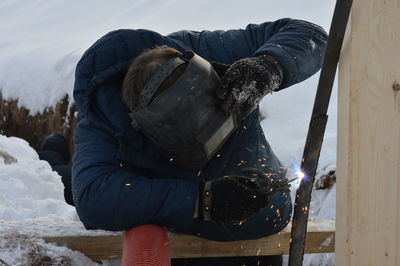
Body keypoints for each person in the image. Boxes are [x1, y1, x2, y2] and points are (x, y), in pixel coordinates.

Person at [43, 18, 327, 265]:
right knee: (68, 183)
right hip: (181, 227)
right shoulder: (101, 123)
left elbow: (309, 34)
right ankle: (51, 160)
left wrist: (268, 66)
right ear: (150, 128)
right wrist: (202, 200)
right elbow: (93, 198)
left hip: (249, 227)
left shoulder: (208, 51)